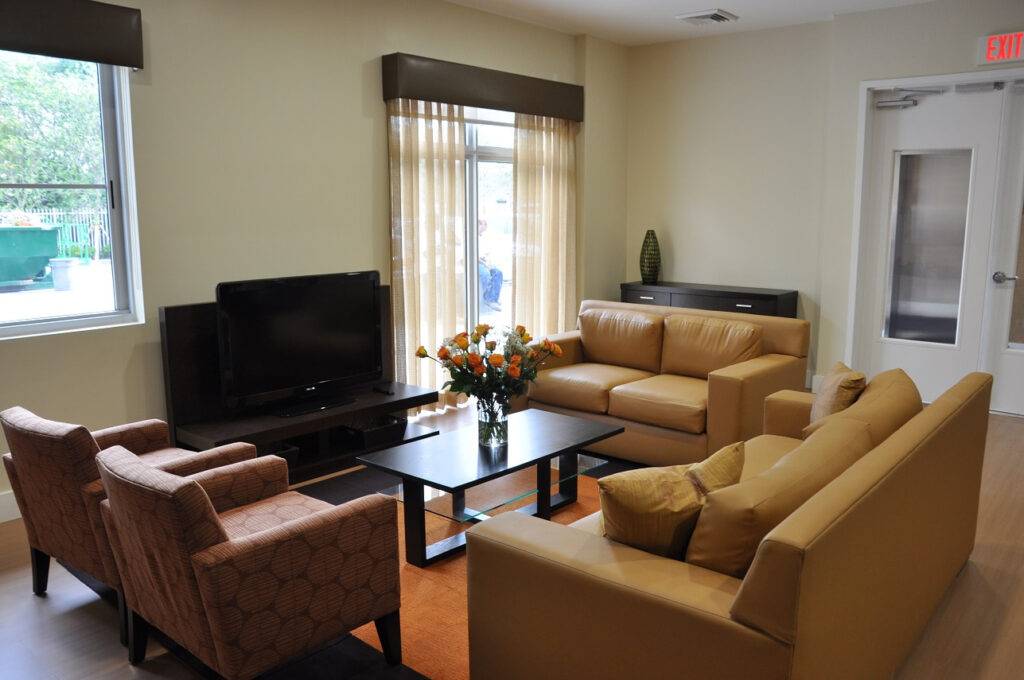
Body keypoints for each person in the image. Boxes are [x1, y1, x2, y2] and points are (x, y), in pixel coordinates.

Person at [477, 218, 503, 311]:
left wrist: (489, 263)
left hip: (485, 262)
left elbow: (487, 253)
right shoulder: (471, 237)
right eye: (484, 224)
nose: (485, 227)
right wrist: (484, 263)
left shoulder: (483, 238)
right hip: (476, 263)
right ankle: (489, 299)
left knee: (498, 272)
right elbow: (473, 256)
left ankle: (494, 298)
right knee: (485, 274)